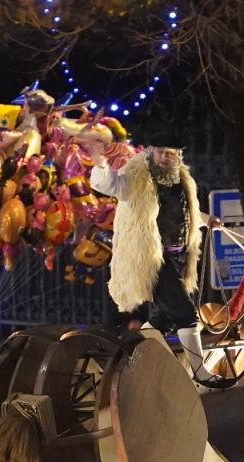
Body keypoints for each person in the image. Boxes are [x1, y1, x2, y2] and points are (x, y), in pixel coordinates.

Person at [90, 145, 207, 371]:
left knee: (161, 321)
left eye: (171, 152)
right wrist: (101, 165)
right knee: (186, 314)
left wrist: (208, 219)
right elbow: (112, 185)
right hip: (153, 259)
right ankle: (200, 373)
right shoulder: (137, 178)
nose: (165, 156)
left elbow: (185, 213)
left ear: (178, 156)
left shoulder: (181, 180)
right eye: (161, 151)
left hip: (178, 258)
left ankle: (130, 366)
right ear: (151, 152)